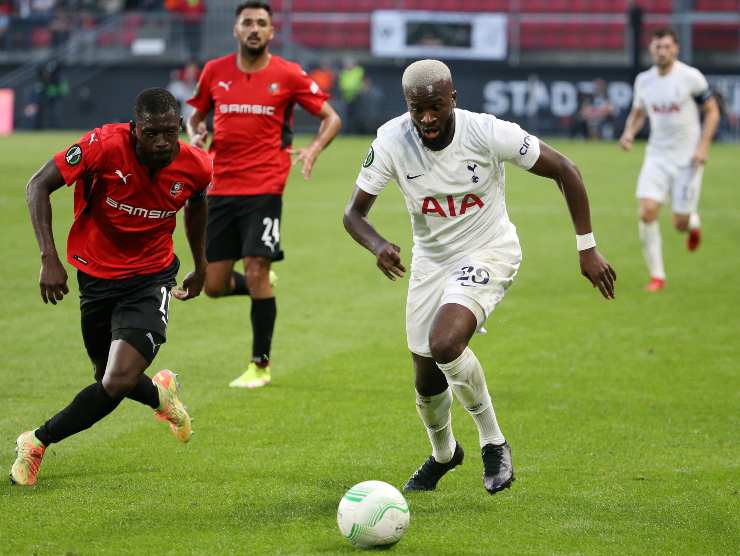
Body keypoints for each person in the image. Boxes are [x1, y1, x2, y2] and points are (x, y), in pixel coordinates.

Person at [343, 60, 616, 495]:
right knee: (426, 376)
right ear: (407, 106)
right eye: (417, 110)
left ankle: (494, 441)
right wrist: (378, 246)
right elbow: (353, 214)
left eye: (435, 107)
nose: (427, 119)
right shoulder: (392, 140)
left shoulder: (487, 131)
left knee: (447, 343)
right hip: (432, 261)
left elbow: (567, 170)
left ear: (453, 99)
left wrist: (587, 248)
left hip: (490, 250)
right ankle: (444, 454)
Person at [9, 88, 212, 486]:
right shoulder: (101, 147)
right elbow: (38, 186)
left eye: (171, 132)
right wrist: (48, 257)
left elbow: (198, 204)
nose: (162, 143)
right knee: (107, 375)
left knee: (116, 380)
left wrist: (201, 265)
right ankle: (160, 397)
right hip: (96, 279)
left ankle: (35, 442)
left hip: (151, 278)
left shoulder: (196, 166)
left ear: (181, 128)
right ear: (134, 129)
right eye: (152, 133)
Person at [186, 1, 341, 389]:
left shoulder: (287, 74)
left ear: (272, 32)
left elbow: (331, 117)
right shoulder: (214, 72)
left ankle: (260, 364)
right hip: (220, 188)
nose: (254, 29)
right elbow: (196, 115)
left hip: (266, 187)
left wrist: (314, 149)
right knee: (214, 286)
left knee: (255, 268)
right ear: (236, 30)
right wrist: (196, 134)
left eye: (261, 23)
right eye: (247, 23)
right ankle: (261, 280)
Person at [619, 27, 720, 292]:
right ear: (651, 49)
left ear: (676, 49)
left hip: (688, 160)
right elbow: (638, 112)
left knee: (679, 223)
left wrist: (703, 147)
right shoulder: (644, 80)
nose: (661, 51)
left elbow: (712, 112)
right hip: (657, 156)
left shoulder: (690, 78)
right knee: (647, 210)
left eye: (666, 46)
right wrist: (629, 133)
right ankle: (657, 276)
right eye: (657, 47)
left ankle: (692, 223)